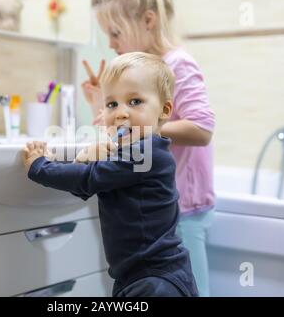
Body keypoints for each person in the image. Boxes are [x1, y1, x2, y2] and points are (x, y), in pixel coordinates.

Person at [23, 52, 198, 297]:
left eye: (135, 101)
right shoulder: (136, 153)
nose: (120, 113)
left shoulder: (145, 155)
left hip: (155, 280)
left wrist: (39, 167)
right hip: (142, 275)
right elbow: (88, 181)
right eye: (111, 104)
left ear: (164, 109)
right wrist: (86, 157)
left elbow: (87, 180)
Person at [81, 0, 216, 297]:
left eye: (116, 32)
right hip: (161, 206)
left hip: (184, 205)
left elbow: (202, 128)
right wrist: (99, 104)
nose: (112, 43)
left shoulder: (177, 64)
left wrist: (137, 124)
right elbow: (131, 140)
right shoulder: (142, 78)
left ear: (148, 21)